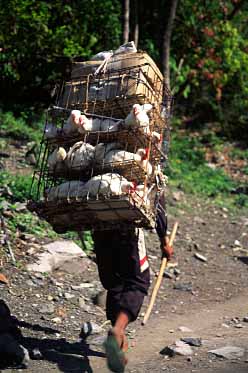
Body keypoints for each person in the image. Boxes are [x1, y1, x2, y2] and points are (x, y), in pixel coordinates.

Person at [92, 187, 173, 373]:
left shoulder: (95, 165)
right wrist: (164, 239)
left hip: (99, 228)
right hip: (127, 230)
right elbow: (157, 200)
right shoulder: (143, 161)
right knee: (138, 281)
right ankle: (118, 329)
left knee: (115, 283)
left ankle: (119, 341)